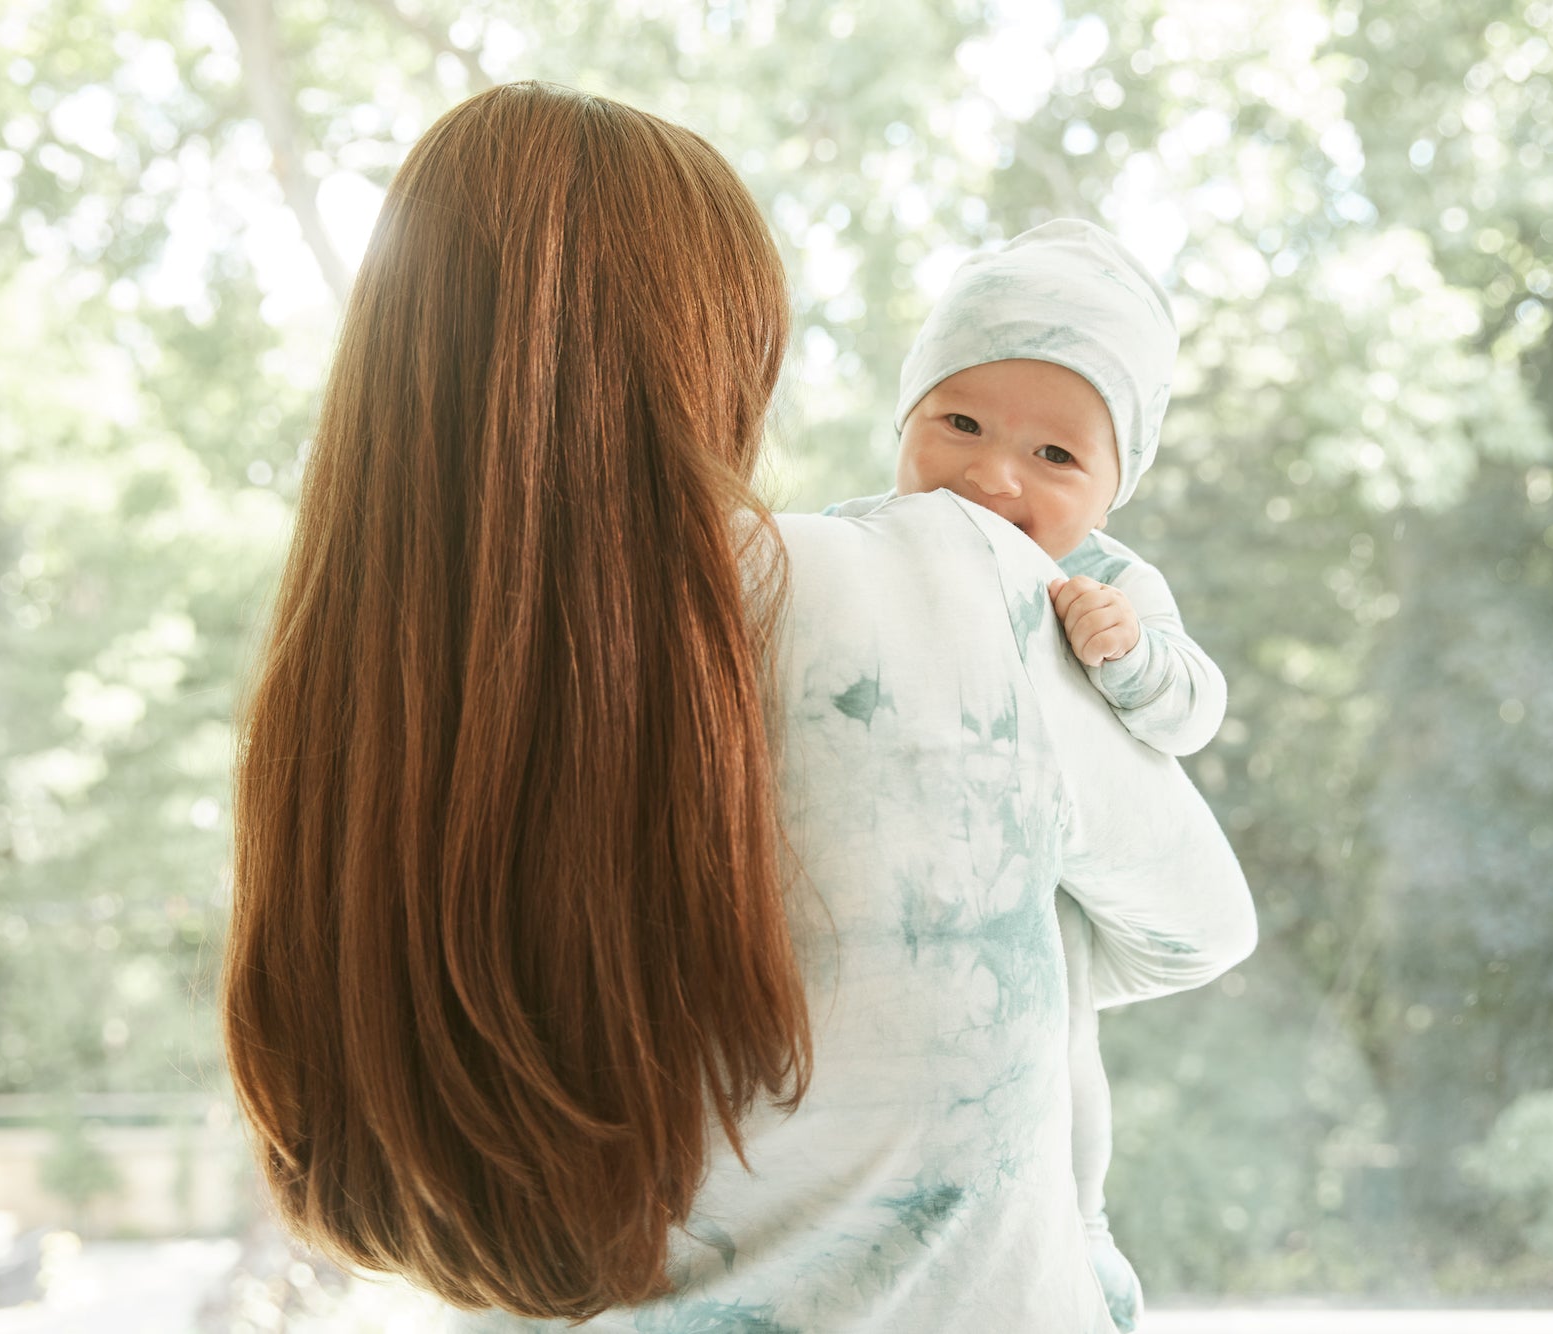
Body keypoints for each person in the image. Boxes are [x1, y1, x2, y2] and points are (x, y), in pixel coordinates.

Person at [221, 81, 1256, 1334]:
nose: (995, 473)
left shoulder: (347, 712)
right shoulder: (950, 582)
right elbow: (1193, 925)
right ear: (720, 350)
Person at [824, 220, 1228, 1329]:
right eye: (958, 422)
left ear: (1112, 487)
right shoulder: (847, 539)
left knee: (1057, 1071)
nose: (991, 473)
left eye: (1054, 457)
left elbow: (1195, 708)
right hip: (900, 880)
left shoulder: (1105, 578)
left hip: (1039, 899)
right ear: (902, 421)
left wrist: (1129, 655)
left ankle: (1082, 1225)